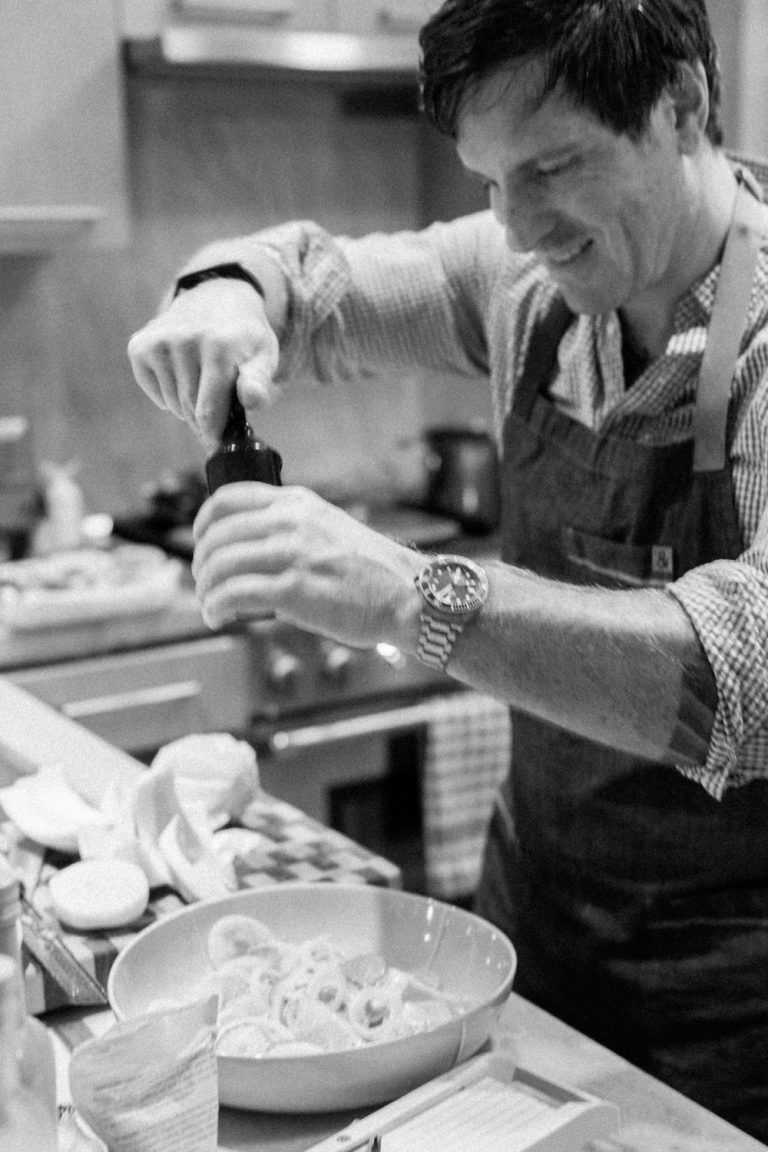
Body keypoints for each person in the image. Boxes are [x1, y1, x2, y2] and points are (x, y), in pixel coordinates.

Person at [127, 0, 768, 1139]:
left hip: (731, 1001)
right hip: (535, 928)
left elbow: (750, 679)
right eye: (488, 181)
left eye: (555, 166)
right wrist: (226, 292)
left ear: (682, 104)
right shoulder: (526, 289)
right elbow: (315, 285)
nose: (515, 229)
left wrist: (408, 595)